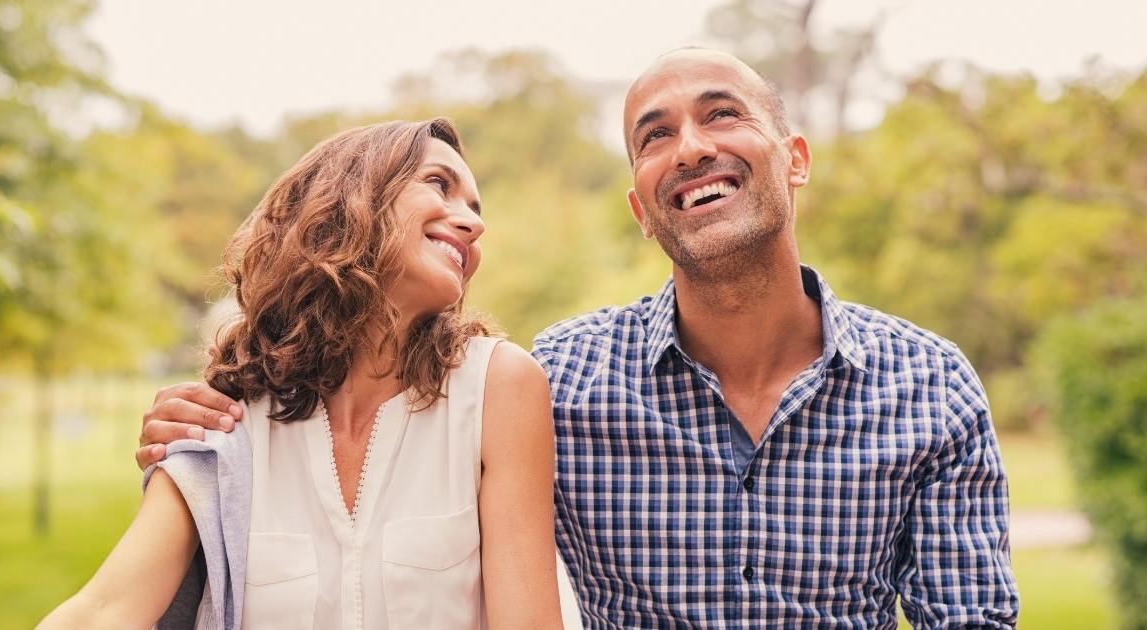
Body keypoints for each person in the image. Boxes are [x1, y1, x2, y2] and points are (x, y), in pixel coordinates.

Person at [138, 49, 1019, 628]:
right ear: (642, 208)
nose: (690, 148)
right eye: (655, 136)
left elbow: (971, 617)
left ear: (793, 157)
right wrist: (209, 418)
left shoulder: (929, 384)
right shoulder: (556, 378)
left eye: (722, 116)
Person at [41, 118, 563, 629]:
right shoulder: (227, 415)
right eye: (437, 183)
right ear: (349, 199)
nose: (474, 223)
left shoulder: (499, 385)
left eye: (475, 207)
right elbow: (106, 609)